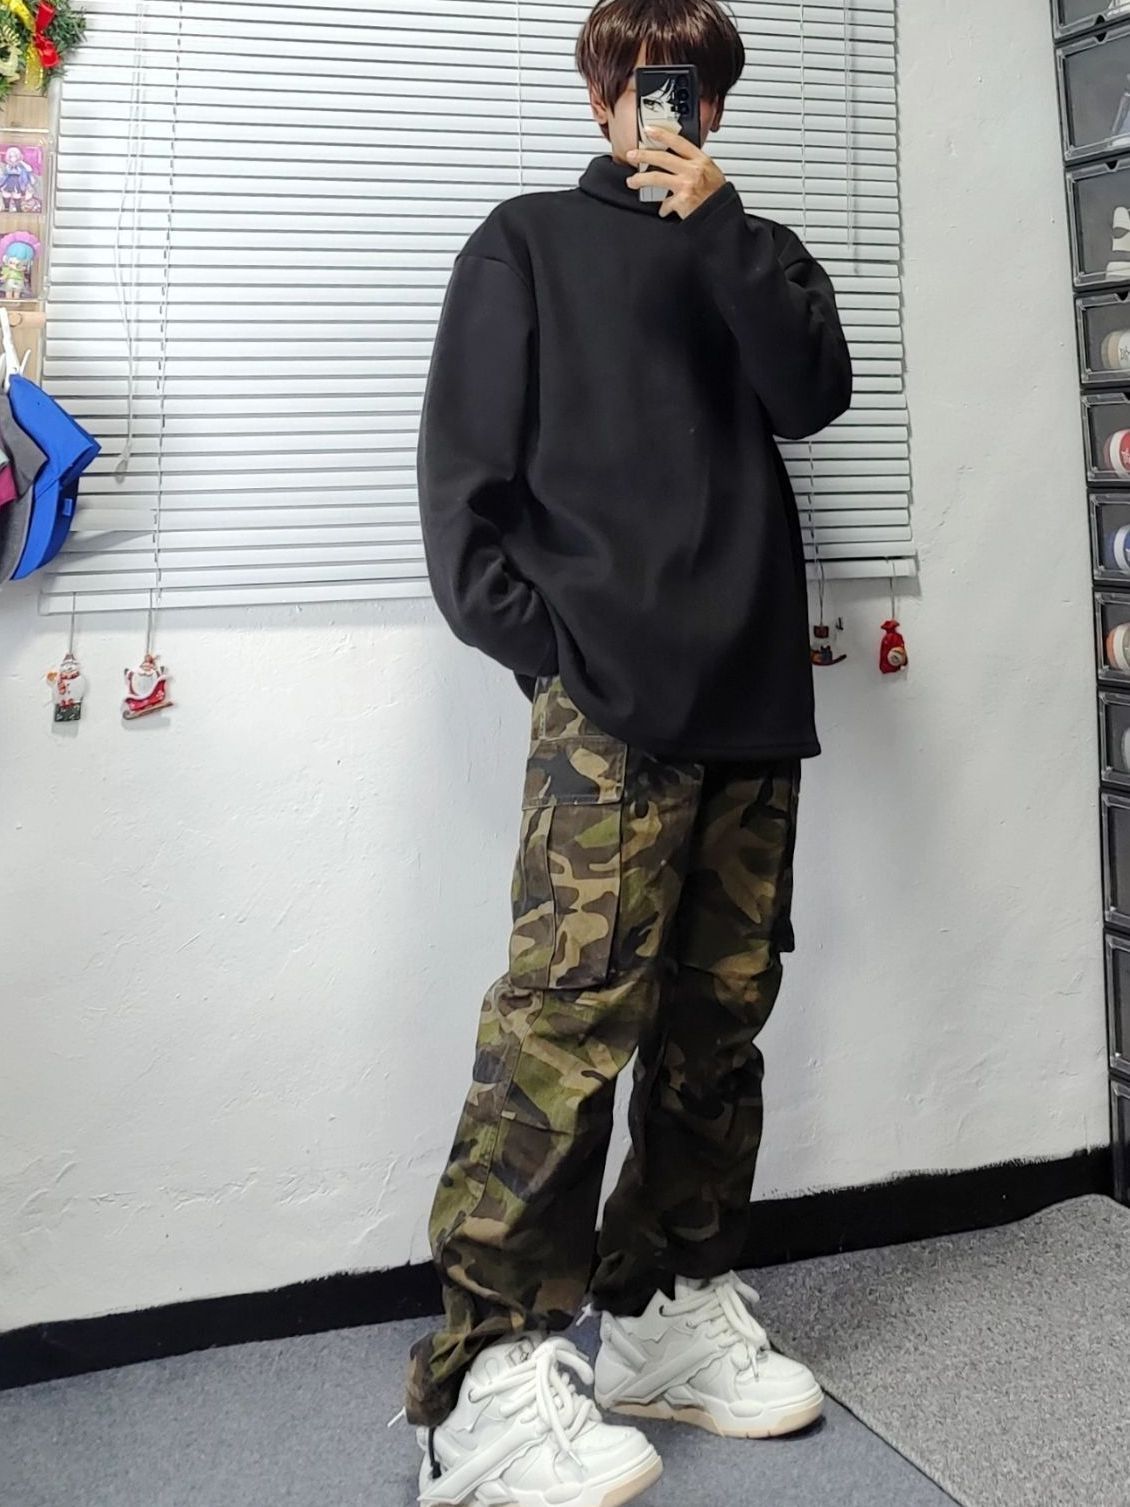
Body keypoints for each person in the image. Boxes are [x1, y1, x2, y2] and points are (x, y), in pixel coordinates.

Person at [405, 1, 853, 1502]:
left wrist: (719, 228)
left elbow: (812, 395)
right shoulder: (526, 242)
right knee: (564, 1025)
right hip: (609, 711)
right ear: (602, 94)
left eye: (693, 85)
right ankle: (482, 1381)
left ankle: (662, 1312)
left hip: (752, 704)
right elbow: (462, 494)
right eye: (647, 81)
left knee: (719, 1021)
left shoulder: (756, 249)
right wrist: (563, 658)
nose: (669, 106)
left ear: (713, 102)